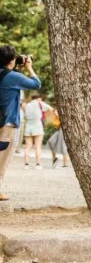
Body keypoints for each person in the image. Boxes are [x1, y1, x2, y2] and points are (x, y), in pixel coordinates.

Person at [0, 49, 42, 200]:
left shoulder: (8, 75)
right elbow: (36, 84)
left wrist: (17, 70)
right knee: (3, 155)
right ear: (11, 61)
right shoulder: (13, 77)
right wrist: (29, 67)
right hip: (7, 123)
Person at [21, 92, 51, 169]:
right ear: (38, 98)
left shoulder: (27, 105)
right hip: (38, 126)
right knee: (38, 147)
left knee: (28, 147)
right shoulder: (40, 103)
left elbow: (24, 113)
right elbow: (50, 108)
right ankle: (38, 164)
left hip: (28, 126)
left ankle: (26, 165)